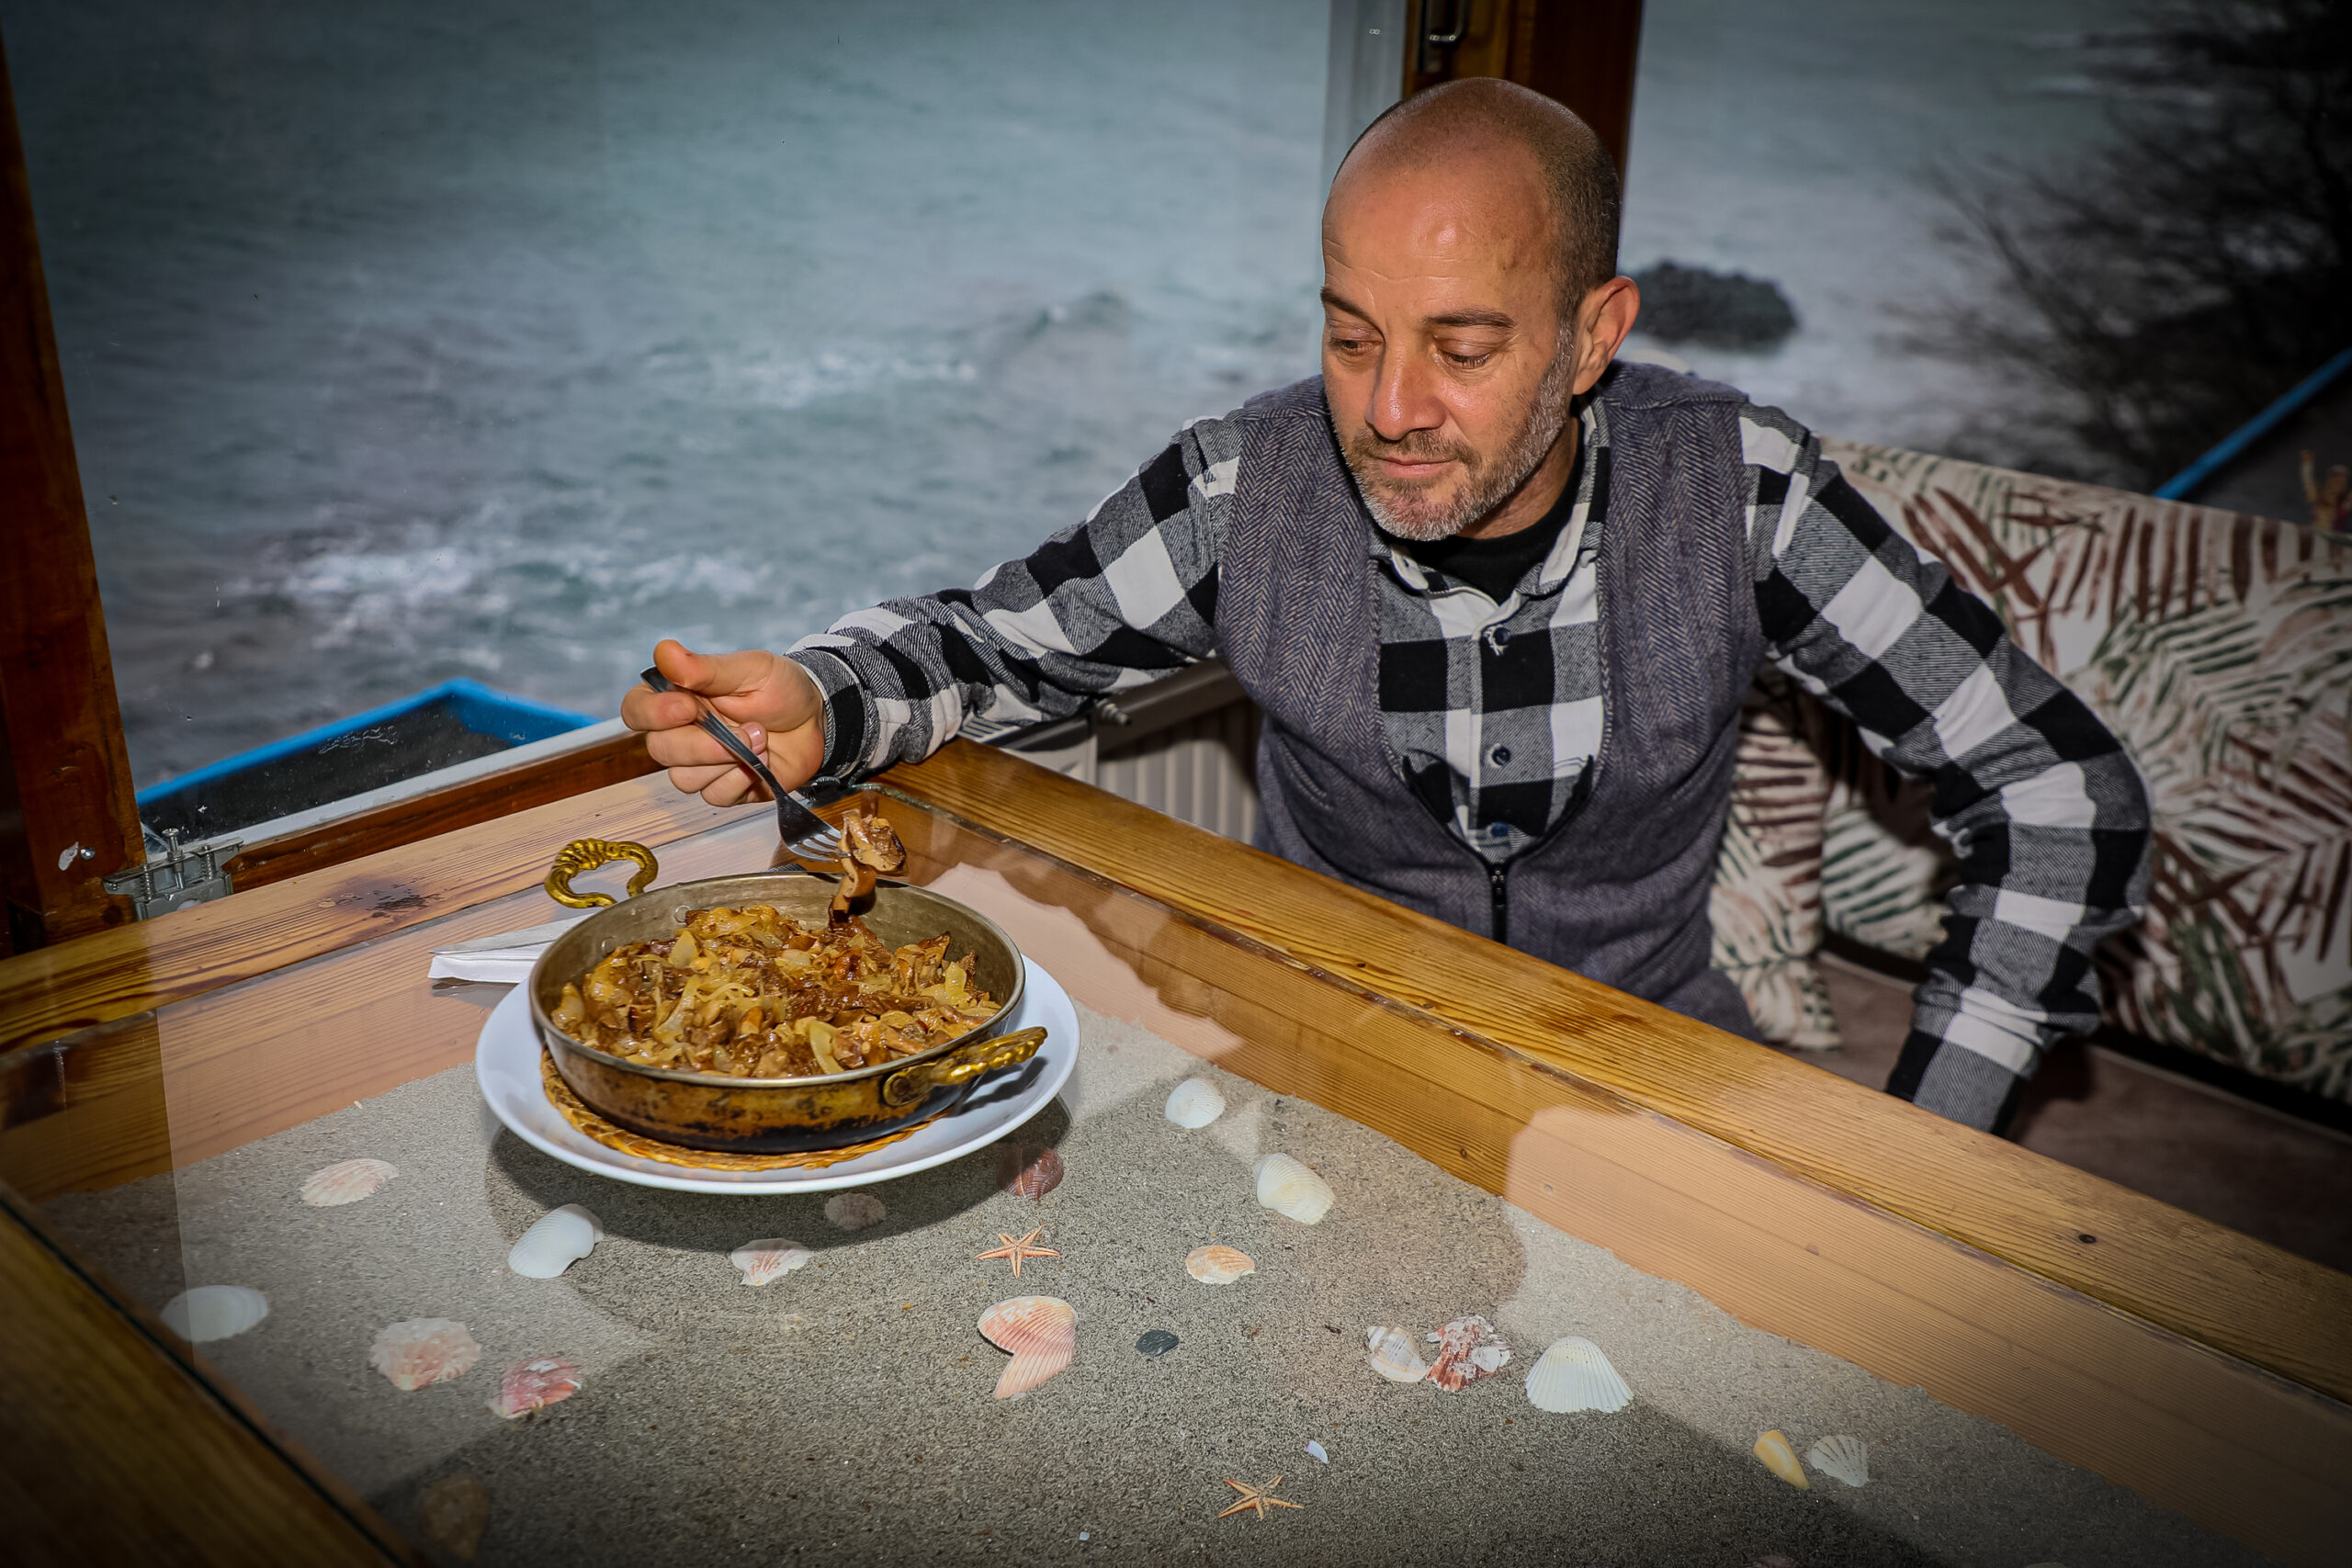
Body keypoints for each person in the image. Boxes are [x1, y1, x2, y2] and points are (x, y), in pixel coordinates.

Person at [621, 79, 2150, 1135]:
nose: (1392, 409)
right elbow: (988, 647)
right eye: (1353, 336)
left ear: (1594, 333)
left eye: (1466, 346)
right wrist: (823, 697)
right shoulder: (1243, 484)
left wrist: (1928, 1136)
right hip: (1302, 1056)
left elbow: (2059, 794)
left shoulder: (1741, 488)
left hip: (1652, 1073)